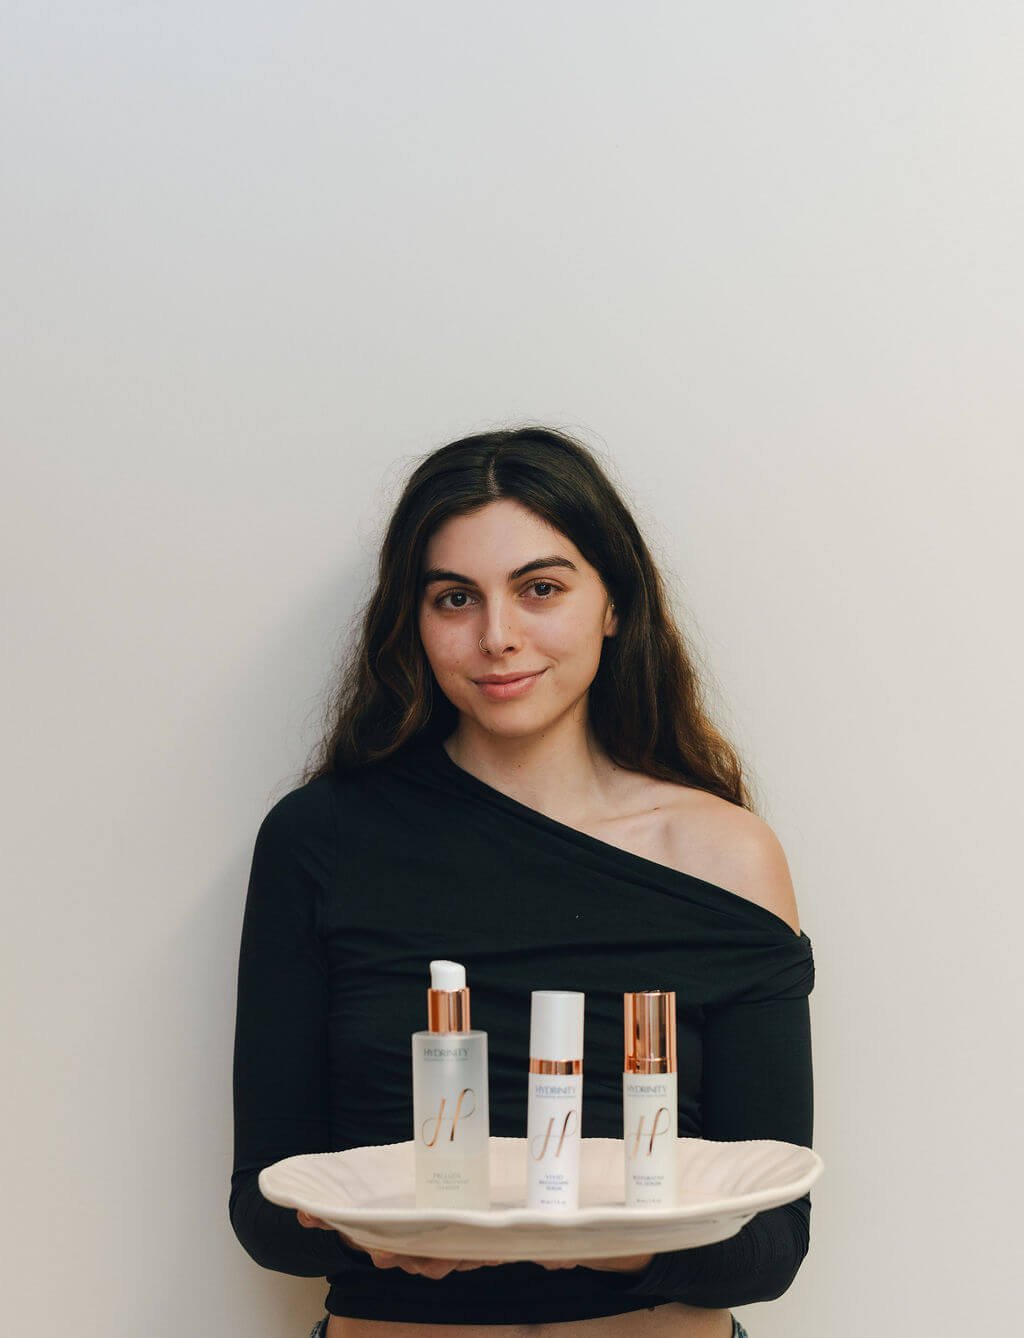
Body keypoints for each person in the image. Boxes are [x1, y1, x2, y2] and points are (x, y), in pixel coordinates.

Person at [229, 426, 815, 1338]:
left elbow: (773, 1246)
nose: (497, 637)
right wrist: (375, 1240)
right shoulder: (322, 840)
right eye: (455, 598)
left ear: (614, 603)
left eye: (540, 588)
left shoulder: (724, 855)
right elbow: (264, 1209)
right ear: (413, 620)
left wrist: (588, 1239)